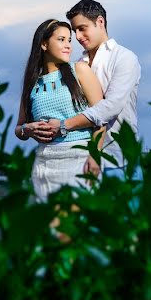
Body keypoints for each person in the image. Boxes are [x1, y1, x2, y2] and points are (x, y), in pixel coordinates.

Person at [44, 0, 142, 181]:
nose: (78, 36)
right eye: (75, 31)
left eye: (82, 28)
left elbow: (111, 107)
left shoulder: (125, 58)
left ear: (100, 22)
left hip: (119, 159)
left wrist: (64, 125)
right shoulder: (78, 65)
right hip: (81, 160)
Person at [14, 18, 106, 202]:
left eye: (69, 40)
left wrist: (95, 157)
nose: (68, 46)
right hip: (44, 161)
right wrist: (28, 130)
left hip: (80, 158)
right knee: (49, 226)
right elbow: (19, 129)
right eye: (61, 40)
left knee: (76, 225)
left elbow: (101, 117)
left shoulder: (79, 70)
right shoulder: (32, 83)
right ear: (44, 44)